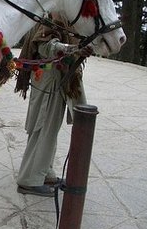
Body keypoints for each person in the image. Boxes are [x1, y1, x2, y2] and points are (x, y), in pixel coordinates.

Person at [14, 13, 93, 197]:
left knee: (50, 127)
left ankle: (44, 171)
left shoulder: (61, 11)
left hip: (55, 78)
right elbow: (44, 46)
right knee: (43, 127)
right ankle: (29, 180)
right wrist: (71, 49)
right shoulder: (55, 12)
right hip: (49, 79)